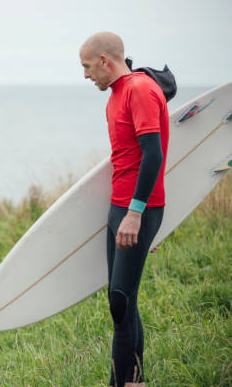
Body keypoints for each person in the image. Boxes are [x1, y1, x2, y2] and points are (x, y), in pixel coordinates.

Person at [79, 32, 169, 387]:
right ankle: (136, 380)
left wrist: (137, 215)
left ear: (104, 61)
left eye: (87, 67)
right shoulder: (116, 95)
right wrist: (129, 214)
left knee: (119, 301)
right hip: (122, 208)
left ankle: (124, 383)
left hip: (135, 210)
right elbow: (126, 157)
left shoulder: (140, 90)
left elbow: (153, 155)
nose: (86, 75)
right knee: (122, 299)